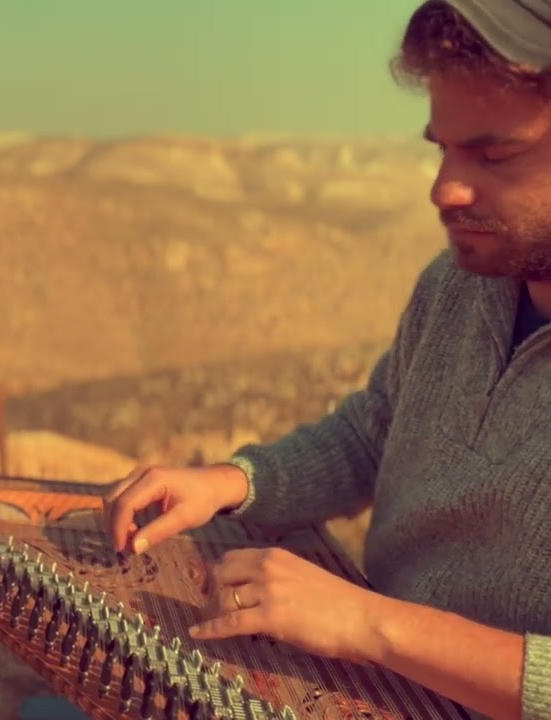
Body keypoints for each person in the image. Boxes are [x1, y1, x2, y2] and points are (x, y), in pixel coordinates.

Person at [103, 2, 551, 718]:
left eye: (493, 155)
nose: (445, 189)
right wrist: (233, 483)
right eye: (441, 148)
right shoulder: (458, 287)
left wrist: (366, 624)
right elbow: (375, 433)